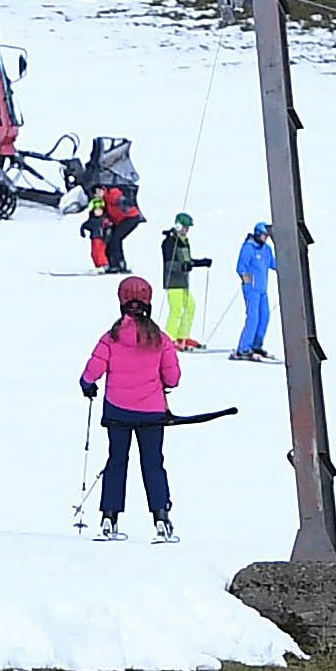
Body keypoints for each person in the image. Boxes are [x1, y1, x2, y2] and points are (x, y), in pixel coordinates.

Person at [80, 274, 182, 543]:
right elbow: (173, 379)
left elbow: (92, 372)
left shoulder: (110, 338)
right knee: (153, 463)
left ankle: (108, 519)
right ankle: (161, 520)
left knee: (116, 461)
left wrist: (88, 385)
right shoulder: (160, 339)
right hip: (151, 413)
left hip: (117, 412)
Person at [230, 221, 275, 362]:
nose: (265, 238)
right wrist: (246, 278)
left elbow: (273, 264)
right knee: (253, 317)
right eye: (263, 236)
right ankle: (244, 347)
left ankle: (256, 345)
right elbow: (240, 266)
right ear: (257, 234)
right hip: (252, 289)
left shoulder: (267, 249)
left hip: (263, 290)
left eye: (267, 236)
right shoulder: (249, 248)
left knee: (265, 316)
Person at [159, 214, 202, 348]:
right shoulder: (170, 242)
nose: (186, 230)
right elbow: (169, 264)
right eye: (184, 227)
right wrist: (182, 266)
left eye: (188, 227)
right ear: (177, 225)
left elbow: (187, 261)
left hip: (184, 282)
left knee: (190, 306)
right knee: (176, 309)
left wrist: (200, 263)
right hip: (173, 282)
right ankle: (170, 338)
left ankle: (183, 336)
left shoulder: (184, 241)